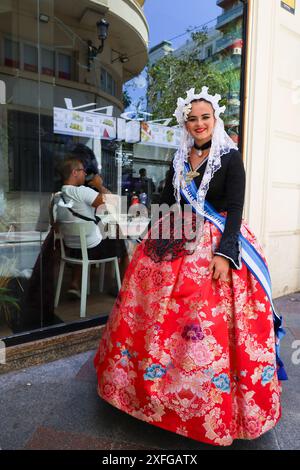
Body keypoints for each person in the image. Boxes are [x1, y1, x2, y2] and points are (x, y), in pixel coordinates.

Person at [94, 87, 287, 446]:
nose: (199, 124)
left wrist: (226, 252)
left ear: (215, 120)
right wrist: (152, 231)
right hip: (177, 231)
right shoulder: (179, 156)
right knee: (152, 306)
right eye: (192, 119)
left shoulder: (230, 158)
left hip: (214, 239)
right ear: (186, 123)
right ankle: (144, 389)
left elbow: (235, 206)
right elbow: (168, 198)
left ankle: (205, 403)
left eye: (205, 118)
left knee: (203, 317)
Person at [53, 157, 127, 298]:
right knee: (120, 238)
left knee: (86, 239)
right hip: (91, 246)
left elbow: (54, 225)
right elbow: (113, 203)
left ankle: (75, 284)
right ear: (75, 172)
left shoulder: (57, 197)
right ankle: (122, 286)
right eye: (83, 171)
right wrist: (100, 185)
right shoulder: (81, 191)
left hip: (71, 248)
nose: (85, 174)